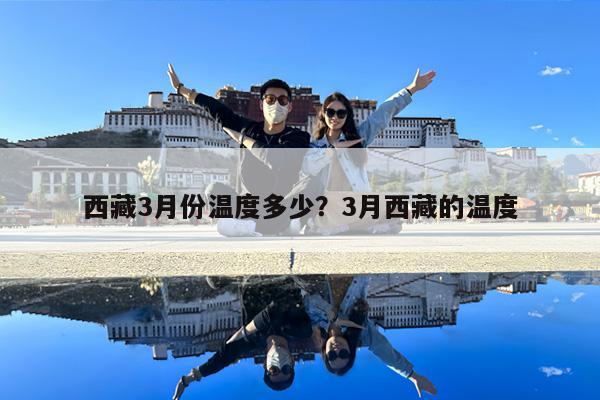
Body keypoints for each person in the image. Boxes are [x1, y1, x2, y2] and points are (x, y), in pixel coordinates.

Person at [167, 64, 312, 236]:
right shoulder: (250, 128)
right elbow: (218, 110)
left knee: (311, 184)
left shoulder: (298, 137)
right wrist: (181, 89)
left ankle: (252, 227)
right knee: (213, 189)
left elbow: (276, 159)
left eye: (282, 100)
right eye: (270, 99)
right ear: (261, 104)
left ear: (289, 107)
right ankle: (272, 227)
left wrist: (244, 140)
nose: (276, 104)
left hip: (279, 206)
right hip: (249, 205)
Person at [301, 69, 436, 235]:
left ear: (347, 116)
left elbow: (383, 114)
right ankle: (354, 225)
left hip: (355, 203)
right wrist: (331, 151)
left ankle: (344, 227)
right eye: (330, 112)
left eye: (341, 113)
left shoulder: (357, 139)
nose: (335, 117)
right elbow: (308, 168)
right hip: (330, 203)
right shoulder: (315, 146)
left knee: (393, 206)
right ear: (323, 114)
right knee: (329, 205)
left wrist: (411, 89)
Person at [172, 282, 313, 399]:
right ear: (292, 361)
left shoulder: (250, 341)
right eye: (286, 369)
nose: (279, 364)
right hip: (279, 275)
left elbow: (221, 360)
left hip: (251, 278)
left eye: (274, 370)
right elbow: (279, 305)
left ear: (265, 364)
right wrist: (247, 330)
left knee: (215, 282)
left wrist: (188, 379)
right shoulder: (301, 331)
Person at [304, 275, 437, 398]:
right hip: (356, 269)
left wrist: (333, 316)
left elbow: (310, 301)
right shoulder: (361, 330)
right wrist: (412, 376)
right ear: (350, 351)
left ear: (325, 353)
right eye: (343, 354)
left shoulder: (315, 321)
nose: (337, 350)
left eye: (332, 355)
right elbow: (384, 351)